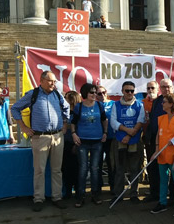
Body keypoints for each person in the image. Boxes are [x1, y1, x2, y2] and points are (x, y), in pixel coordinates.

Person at [11, 71, 70, 212]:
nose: (53, 84)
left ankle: (57, 197)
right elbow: (15, 109)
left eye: (55, 81)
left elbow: (66, 108)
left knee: (57, 170)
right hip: (40, 138)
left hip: (57, 137)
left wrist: (65, 124)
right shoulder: (33, 94)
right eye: (50, 81)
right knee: (39, 171)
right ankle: (38, 199)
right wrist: (24, 128)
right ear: (41, 80)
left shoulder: (57, 94)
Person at [143, 78, 174, 202]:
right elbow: (153, 121)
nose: (166, 89)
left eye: (168, 86)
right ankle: (157, 195)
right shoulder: (157, 102)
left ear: (172, 87)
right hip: (157, 141)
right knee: (156, 171)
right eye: (163, 87)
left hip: (173, 146)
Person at [150, 94, 174, 218]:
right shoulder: (162, 118)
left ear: (171, 104)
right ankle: (162, 202)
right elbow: (158, 135)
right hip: (162, 154)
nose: (162, 104)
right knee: (163, 180)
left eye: (165, 102)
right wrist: (156, 150)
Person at [71, 83, 108, 208]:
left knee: (95, 168)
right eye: (91, 92)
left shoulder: (99, 105)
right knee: (82, 169)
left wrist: (105, 133)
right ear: (85, 94)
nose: (94, 95)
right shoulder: (79, 107)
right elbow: (73, 122)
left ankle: (95, 194)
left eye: (95, 92)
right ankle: (80, 195)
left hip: (97, 141)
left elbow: (104, 120)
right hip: (83, 142)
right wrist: (74, 134)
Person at [110, 81, 145, 203]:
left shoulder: (140, 105)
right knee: (119, 168)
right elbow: (113, 121)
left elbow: (140, 121)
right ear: (122, 91)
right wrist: (126, 131)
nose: (129, 93)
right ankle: (118, 194)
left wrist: (130, 135)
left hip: (134, 140)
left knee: (135, 169)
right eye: (127, 90)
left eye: (131, 90)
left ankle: (134, 194)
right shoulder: (116, 105)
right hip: (120, 139)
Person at [96, 85, 115, 193]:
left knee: (111, 163)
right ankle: (98, 187)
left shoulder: (113, 104)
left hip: (111, 138)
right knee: (97, 163)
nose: (102, 95)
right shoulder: (94, 105)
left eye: (104, 92)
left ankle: (113, 187)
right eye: (99, 93)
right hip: (98, 138)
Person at [61, 91, 81, 199]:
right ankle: (67, 191)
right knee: (65, 168)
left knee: (76, 168)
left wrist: (76, 144)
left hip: (76, 143)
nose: (64, 100)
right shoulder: (64, 113)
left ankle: (78, 190)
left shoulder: (78, 113)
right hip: (64, 143)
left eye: (66, 98)